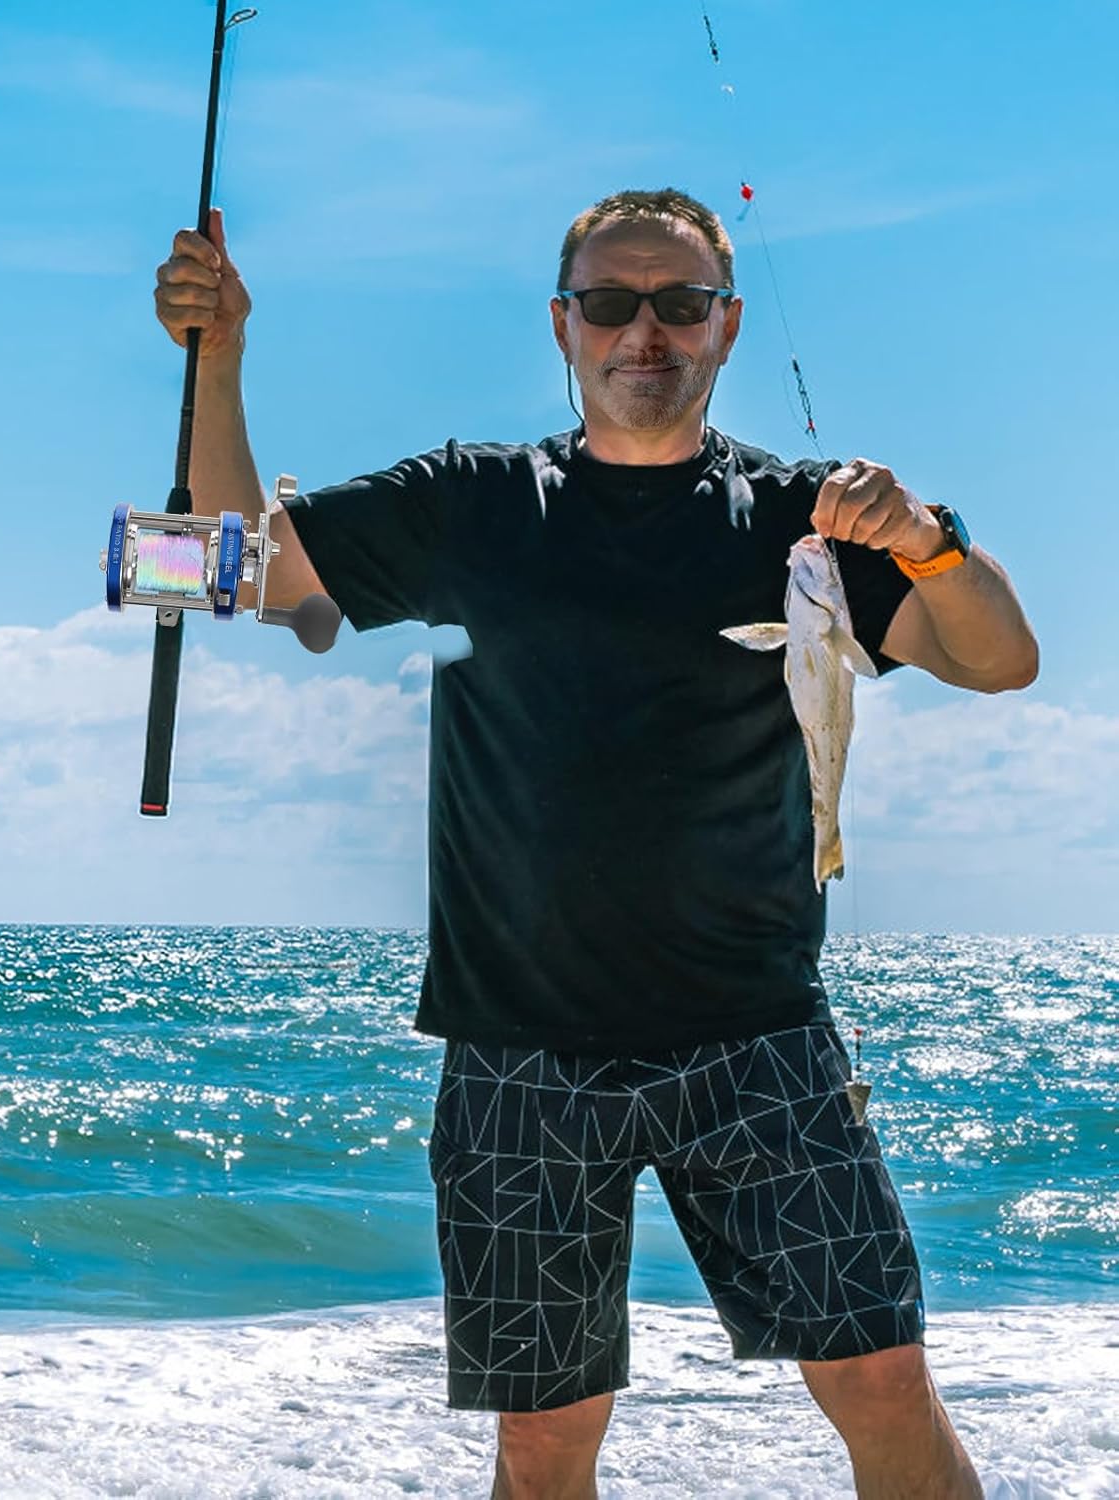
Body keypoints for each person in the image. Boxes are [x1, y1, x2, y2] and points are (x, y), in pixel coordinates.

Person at [153, 187, 1037, 1499]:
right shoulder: (470, 501)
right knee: (546, 1437)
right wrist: (219, 357)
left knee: (881, 1380)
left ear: (727, 324)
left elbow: (1001, 660)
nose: (646, 331)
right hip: (521, 1048)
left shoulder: (803, 526)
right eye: (612, 301)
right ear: (562, 323)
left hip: (758, 1034)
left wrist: (929, 543)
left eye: (680, 303)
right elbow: (233, 571)